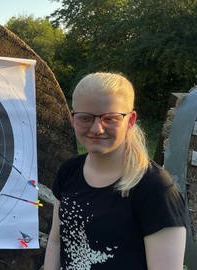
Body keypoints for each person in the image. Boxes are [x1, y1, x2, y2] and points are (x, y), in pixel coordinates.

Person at [44, 72, 187, 270]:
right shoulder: (68, 171)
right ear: (73, 119)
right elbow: (56, 241)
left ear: (130, 120)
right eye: (85, 118)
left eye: (110, 118)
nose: (97, 129)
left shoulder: (155, 188)